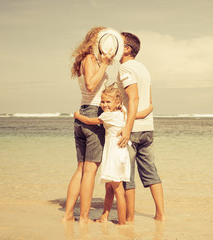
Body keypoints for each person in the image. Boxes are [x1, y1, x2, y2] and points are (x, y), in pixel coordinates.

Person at [62, 27, 120, 224]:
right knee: (89, 171)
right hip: (92, 114)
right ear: (96, 42)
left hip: (83, 113)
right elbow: (90, 85)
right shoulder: (90, 60)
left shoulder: (87, 60)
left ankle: (69, 214)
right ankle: (84, 217)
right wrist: (104, 64)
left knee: (81, 169)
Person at [73, 85, 153, 224]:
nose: (104, 105)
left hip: (114, 154)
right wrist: (150, 107)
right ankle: (105, 217)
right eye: (102, 102)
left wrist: (78, 116)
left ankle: (122, 223)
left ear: (117, 102)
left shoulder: (108, 115)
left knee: (118, 189)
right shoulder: (123, 111)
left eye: (108, 102)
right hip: (120, 154)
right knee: (110, 186)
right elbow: (137, 114)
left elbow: (90, 121)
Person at [115, 32, 165, 221]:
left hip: (132, 129)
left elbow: (134, 98)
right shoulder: (143, 69)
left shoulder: (125, 68)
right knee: (151, 171)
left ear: (127, 49)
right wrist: (141, 115)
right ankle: (160, 215)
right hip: (147, 128)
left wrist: (127, 126)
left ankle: (129, 219)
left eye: (118, 44)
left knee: (127, 176)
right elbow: (149, 103)